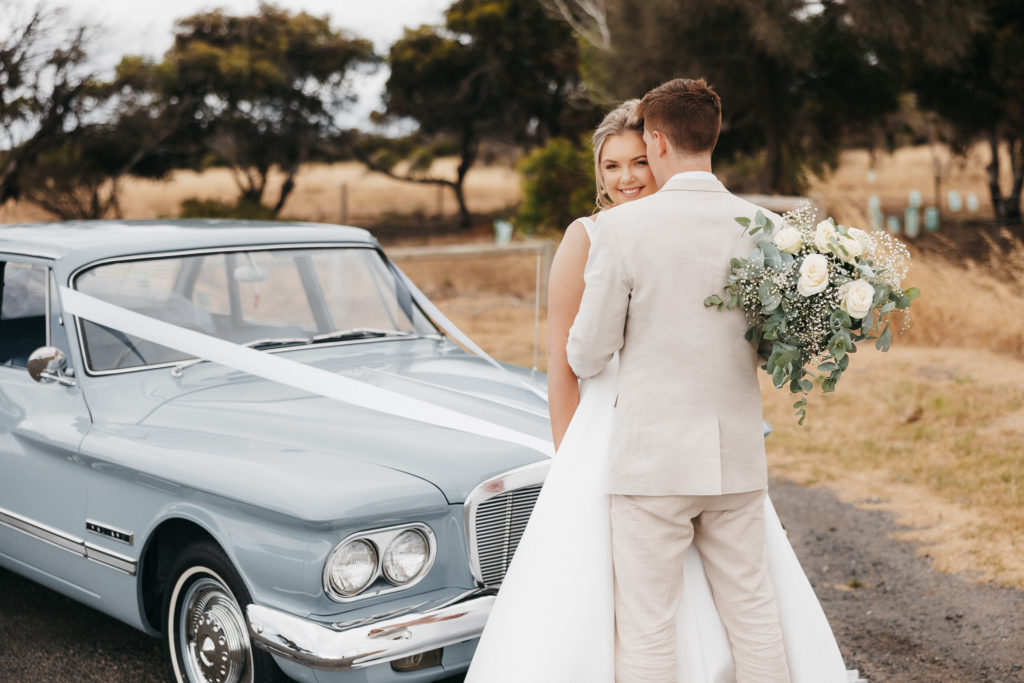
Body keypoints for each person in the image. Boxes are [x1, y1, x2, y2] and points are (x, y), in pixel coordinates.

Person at [465, 89, 850, 683]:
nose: (627, 174)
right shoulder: (772, 230)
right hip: (735, 456)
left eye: (638, 156)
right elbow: (778, 346)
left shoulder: (622, 233)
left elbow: (586, 355)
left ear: (658, 142)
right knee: (753, 611)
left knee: (647, 626)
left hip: (650, 462)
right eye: (611, 165)